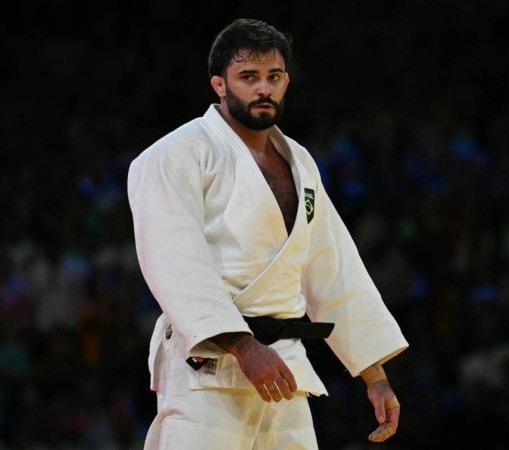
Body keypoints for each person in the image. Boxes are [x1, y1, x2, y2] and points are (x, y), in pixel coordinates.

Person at [127, 18, 409, 449]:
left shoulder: (299, 162)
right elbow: (174, 265)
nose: (264, 89)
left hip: (285, 366)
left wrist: (375, 375)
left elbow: (332, 267)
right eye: (248, 77)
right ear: (219, 85)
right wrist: (243, 345)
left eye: (273, 77)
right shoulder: (174, 155)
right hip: (208, 367)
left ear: (286, 82)